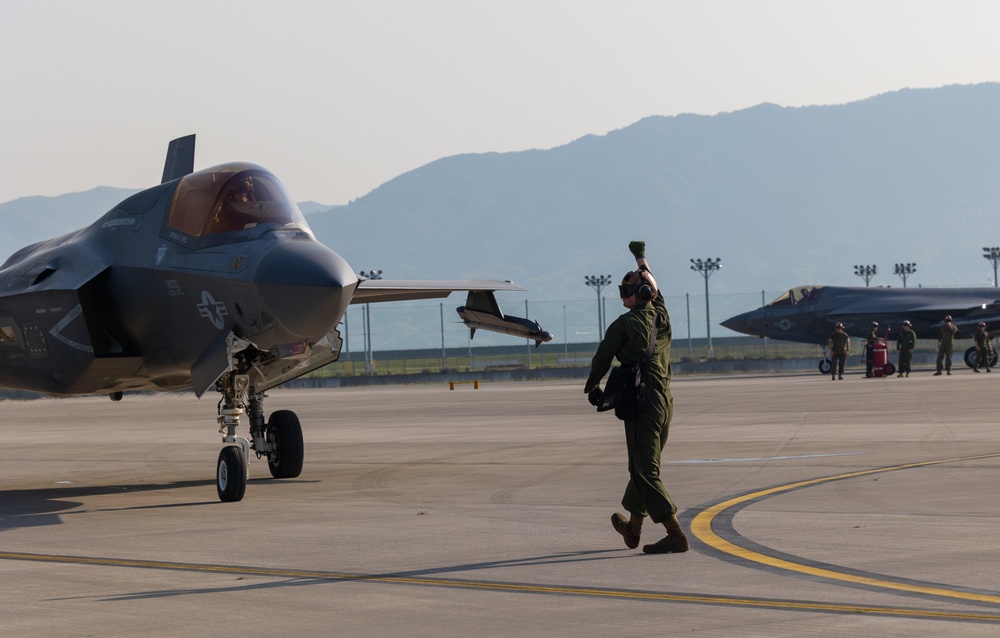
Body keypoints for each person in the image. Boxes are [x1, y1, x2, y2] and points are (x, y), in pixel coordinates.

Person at [584, 241, 687, 554]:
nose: (622, 296)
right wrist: (640, 257)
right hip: (665, 403)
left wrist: (592, 388)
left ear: (640, 293)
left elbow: (602, 359)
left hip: (642, 404)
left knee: (645, 471)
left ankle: (675, 534)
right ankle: (633, 530)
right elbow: (652, 282)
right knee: (642, 467)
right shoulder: (662, 318)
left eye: (625, 291)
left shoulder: (625, 324)